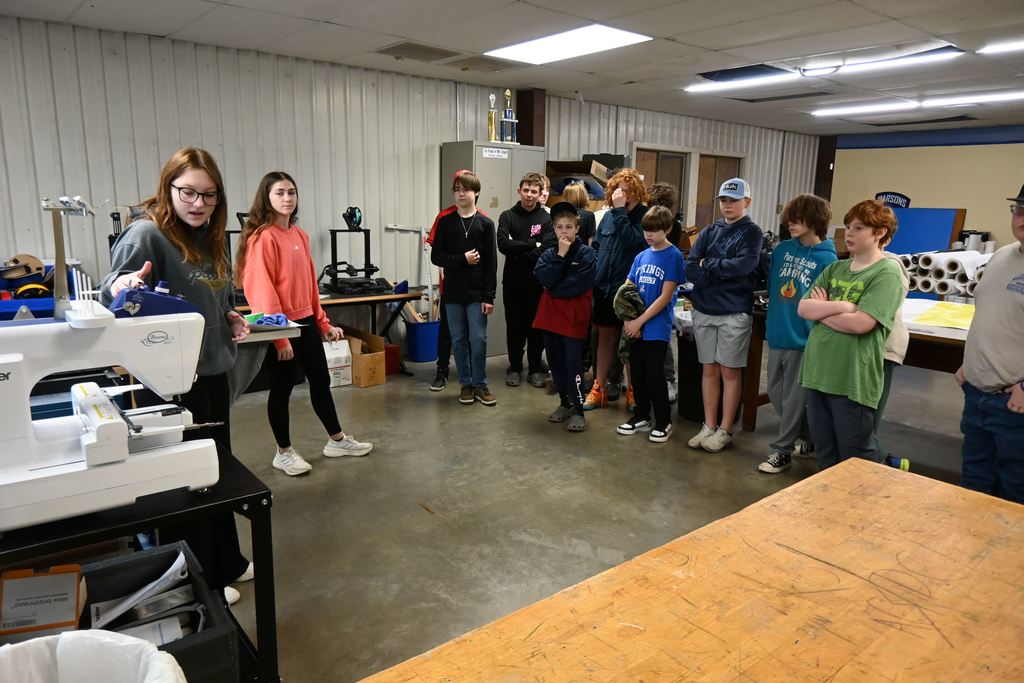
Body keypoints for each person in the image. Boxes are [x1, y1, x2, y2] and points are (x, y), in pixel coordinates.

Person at [101, 147, 251, 603]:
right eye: (187, 192)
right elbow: (117, 288)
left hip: (211, 373)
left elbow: (214, 297)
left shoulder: (212, 237)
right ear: (169, 188)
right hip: (168, 384)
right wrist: (123, 285)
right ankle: (198, 578)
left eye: (208, 195)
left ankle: (228, 560)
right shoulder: (146, 236)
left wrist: (229, 317)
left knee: (215, 471)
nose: (198, 203)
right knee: (182, 484)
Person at [235, 171, 373, 477]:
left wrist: (323, 322)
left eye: (291, 192)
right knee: (282, 388)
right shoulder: (263, 238)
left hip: (306, 322)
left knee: (320, 381)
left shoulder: (299, 235)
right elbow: (262, 291)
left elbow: (310, 284)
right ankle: (283, 452)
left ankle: (336, 440)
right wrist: (280, 338)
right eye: (279, 193)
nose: (287, 198)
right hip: (281, 327)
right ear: (267, 198)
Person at [797, 199, 903, 470]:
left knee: (855, 460)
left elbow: (861, 324)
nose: (849, 233)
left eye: (859, 228)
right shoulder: (835, 268)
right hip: (818, 373)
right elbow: (804, 308)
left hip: (851, 379)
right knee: (825, 455)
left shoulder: (886, 272)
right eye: (848, 227)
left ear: (880, 233)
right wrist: (843, 307)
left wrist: (823, 311)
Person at [757, 194, 837, 474]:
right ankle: (814, 437)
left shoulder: (828, 259)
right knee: (777, 393)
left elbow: (824, 303)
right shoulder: (781, 250)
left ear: (815, 221)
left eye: (798, 217)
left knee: (792, 397)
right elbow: (773, 288)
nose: (790, 222)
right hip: (777, 332)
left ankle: (782, 450)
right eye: (789, 217)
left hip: (804, 339)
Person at [955, 184, 1024, 503]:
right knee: (975, 480)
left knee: (1014, 488)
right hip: (978, 393)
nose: (1022, 218)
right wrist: (970, 365)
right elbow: (992, 316)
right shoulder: (1001, 256)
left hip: (1014, 402)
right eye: (1019, 209)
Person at [684, 178, 762, 453]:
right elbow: (691, 268)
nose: (728, 205)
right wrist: (716, 270)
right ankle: (709, 424)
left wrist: (710, 265)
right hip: (705, 308)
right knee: (709, 368)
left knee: (729, 370)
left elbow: (745, 265)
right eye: (724, 200)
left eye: (734, 200)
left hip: (733, 312)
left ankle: (726, 429)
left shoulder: (752, 232)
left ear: (747, 202)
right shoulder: (708, 231)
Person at [616, 206, 686, 443]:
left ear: (666, 229)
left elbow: (665, 297)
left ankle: (664, 421)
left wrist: (639, 321)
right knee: (637, 372)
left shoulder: (673, 256)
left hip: (655, 326)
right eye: (646, 230)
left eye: (655, 230)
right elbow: (627, 289)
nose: (649, 235)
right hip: (635, 325)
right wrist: (628, 320)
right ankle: (642, 415)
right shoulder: (640, 256)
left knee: (655, 374)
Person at [430, 170, 498, 405]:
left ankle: (481, 384)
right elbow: (436, 257)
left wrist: (489, 297)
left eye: (465, 189)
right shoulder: (446, 222)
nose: (460, 193)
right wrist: (462, 259)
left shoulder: (486, 224)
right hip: (453, 294)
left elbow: (491, 264)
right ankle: (466, 384)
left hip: (477, 294)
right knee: (458, 340)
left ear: (475, 192)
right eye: (457, 189)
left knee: (478, 340)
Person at [584, 169, 649, 411]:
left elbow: (633, 240)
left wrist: (621, 211)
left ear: (637, 191)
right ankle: (598, 388)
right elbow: (598, 247)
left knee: (630, 343)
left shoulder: (644, 217)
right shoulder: (609, 217)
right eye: (619, 189)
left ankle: (633, 390)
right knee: (604, 338)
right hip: (604, 288)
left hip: (629, 292)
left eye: (628, 188)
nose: (623, 193)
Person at [533, 202, 597, 432]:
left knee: (574, 365)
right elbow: (542, 277)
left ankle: (578, 410)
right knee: (556, 363)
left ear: (577, 228)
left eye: (568, 226)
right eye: (559, 227)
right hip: (550, 317)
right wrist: (560, 256)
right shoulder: (550, 253)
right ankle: (564, 403)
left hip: (574, 319)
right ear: (554, 228)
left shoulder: (588, 254)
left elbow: (579, 284)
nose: (564, 231)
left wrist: (553, 286)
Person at [498, 172, 556, 388]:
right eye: (526, 190)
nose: (530, 195)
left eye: (534, 191)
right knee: (514, 327)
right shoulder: (507, 216)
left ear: (541, 194)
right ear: (519, 190)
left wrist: (520, 246)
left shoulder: (547, 219)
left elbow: (548, 249)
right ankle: (514, 368)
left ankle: (533, 369)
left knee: (535, 328)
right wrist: (534, 244)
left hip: (538, 284)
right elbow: (503, 245)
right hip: (512, 283)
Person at [647, 182, 685, 403]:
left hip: (665, 281)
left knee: (661, 334)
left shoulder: (674, 226)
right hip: (648, 279)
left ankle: (669, 380)